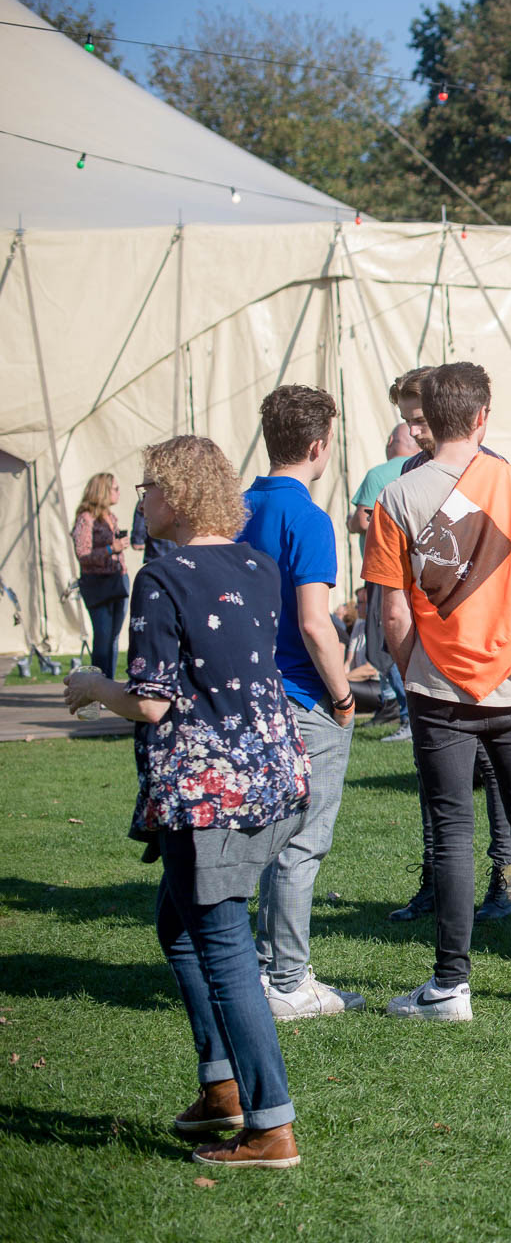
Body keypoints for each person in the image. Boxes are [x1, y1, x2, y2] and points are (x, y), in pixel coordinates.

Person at [63, 436, 309, 1168]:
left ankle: (270, 1125)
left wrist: (92, 687)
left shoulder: (161, 577)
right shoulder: (257, 566)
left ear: (177, 494)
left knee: (224, 945)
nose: (143, 500)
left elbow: (151, 703)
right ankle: (222, 1087)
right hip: (270, 776)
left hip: (206, 794)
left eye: (149, 488)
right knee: (178, 925)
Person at [363, 361, 511, 1018]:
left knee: (451, 830)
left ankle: (450, 984)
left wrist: (418, 673)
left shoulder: (396, 497)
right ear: (483, 416)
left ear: (424, 420)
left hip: (438, 689)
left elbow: (394, 614)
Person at [238, 385, 363, 1021]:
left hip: (249, 696)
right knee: (301, 844)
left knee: (265, 839)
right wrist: (343, 695)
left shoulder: (238, 507)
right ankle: (287, 979)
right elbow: (316, 623)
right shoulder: (308, 518)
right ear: (319, 445)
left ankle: (265, 969)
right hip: (300, 697)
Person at [383, 369, 511, 925]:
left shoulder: (493, 472)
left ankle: (504, 879)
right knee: (436, 784)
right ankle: (436, 881)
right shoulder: (408, 476)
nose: (415, 431)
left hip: (489, 659)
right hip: (433, 659)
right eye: (407, 420)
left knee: (498, 779)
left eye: (421, 419)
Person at [349, 420, 422, 731]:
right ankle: (396, 706)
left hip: (384, 566)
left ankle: (405, 712)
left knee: (384, 639)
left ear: (392, 441)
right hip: (421, 566)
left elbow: (362, 521)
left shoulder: (378, 475)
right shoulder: (425, 469)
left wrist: (352, 521)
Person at [72, 472, 131, 676]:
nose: (118, 492)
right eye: (115, 489)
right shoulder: (86, 518)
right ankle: (98, 682)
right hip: (98, 583)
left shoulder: (111, 517)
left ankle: (109, 681)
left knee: (113, 636)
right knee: (103, 635)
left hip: (118, 578)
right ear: (103, 490)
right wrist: (110, 549)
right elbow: (83, 554)